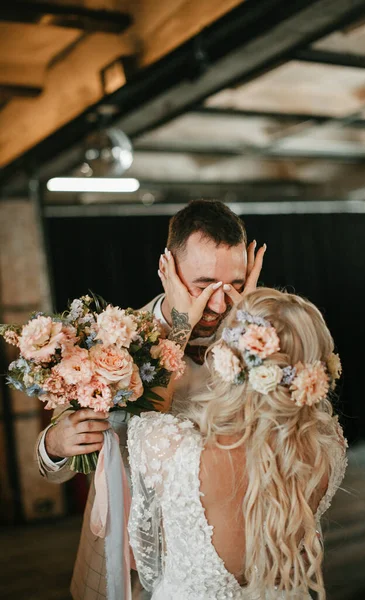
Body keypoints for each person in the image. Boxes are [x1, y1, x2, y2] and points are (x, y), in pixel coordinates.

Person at [34, 199, 266, 600]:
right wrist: (55, 445)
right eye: (204, 284)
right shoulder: (111, 339)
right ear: (168, 269)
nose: (218, 304)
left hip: (237, 554)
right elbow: (55, 464)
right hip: (134, 557)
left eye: (236, 286)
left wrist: (253, 314)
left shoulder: (260, 340)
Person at [126, 251, 347, 599]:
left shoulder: (173, 448)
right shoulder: (327, 445)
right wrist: (253, 318)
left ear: (225, 357)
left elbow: (150, 409)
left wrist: (185, 323)